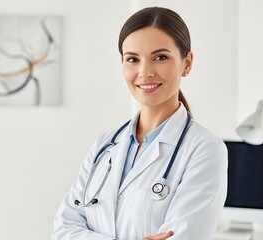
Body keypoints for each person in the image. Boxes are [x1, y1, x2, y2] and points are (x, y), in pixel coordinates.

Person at [52, 6, 227, 240]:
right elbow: (63, 230)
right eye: (132, 59)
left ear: (187, 63)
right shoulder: (105, 145)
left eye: (160, 57)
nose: (144, 72)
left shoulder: (205, 149)